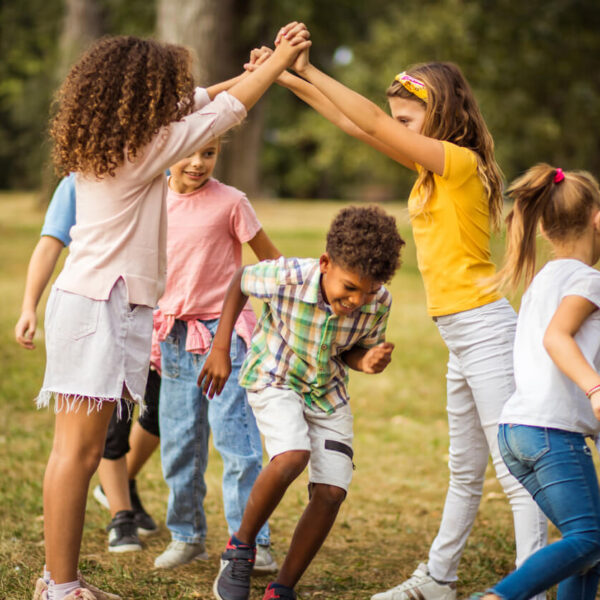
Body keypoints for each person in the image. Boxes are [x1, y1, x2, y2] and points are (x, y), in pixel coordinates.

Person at [265, 27, 548, 600]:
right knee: (465, 470)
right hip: (462, 333)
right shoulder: (431, 169)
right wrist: (281, 73)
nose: (395, 129)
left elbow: (367, 120)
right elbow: (354, 123)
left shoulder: (459, 163)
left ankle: (528, 588)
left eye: (407, 121)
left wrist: (310, 70)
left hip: (486, 329)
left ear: (440, 115)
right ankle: (439, 580)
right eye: (396, 120)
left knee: (514, 471)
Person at [32, 27, 310, 600]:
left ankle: (59, 580)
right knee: (77, 454)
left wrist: (264, 71)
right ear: (142, 98)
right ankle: (61, 587)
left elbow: (208, 98)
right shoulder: (142, 150)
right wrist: (281, 59)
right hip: (97, 306)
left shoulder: (117, 137)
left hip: (95, 302)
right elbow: (227, 109)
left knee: (74, 452)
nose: (177, 101)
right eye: (166, 93)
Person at [201, 205, 404, 600]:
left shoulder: (379, 301)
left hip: (327, 392)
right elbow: (241, 280)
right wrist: (221, 346)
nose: (358, 300)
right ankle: (240, 548)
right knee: (293, 456)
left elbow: (352, 351)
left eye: (369, 290)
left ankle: (283, 588)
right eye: (349, 287)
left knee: (331, 493)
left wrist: (367, 361)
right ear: (326, 263)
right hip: (274, 376)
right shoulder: (288, 276)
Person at [465, 165, 600, 600]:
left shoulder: (544, 281)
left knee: (588, 546)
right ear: (597, 218)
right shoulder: (589, 281)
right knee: (590, 537)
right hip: (549, 435)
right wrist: (595, 389)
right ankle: (498, 597)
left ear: (543, 226)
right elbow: (556, 339)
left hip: (517, 433)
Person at [151, 137, 281, 571]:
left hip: (224, 337)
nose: (197, 162)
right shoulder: (150, 200)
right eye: (189, 151)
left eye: (209, 153)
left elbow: (270, 263)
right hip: (173, 336)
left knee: (237, 443)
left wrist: (282, 324)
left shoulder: (231, 202)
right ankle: (187, 536)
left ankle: (253, 542)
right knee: (180, 443)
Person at [16, 174, 160, 555]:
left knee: (120, 432)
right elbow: (50, 244)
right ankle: (117, 515)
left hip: (143, 319)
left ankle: (62, 576)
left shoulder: (159, 174)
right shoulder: (76, 182)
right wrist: (29, 305)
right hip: (95, 314)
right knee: (86, 445)